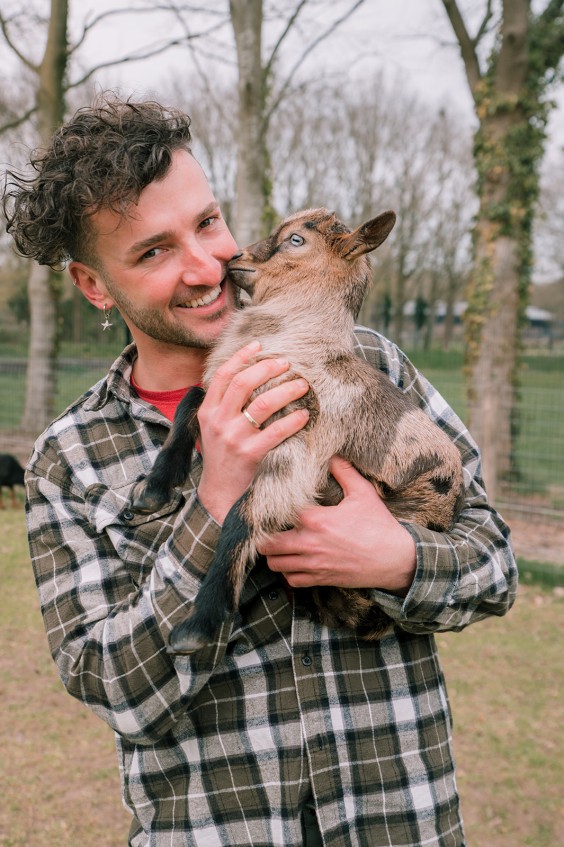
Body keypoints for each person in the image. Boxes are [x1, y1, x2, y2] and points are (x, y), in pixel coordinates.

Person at [3, 93, 517, 847]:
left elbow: (496, 561)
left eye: (207, 222)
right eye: (154, 251)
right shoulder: (70, 458)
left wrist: (397, 558)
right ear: (92, 285)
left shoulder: (369, 365)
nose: (208, 263)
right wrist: (212, 503)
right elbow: (117, 690)